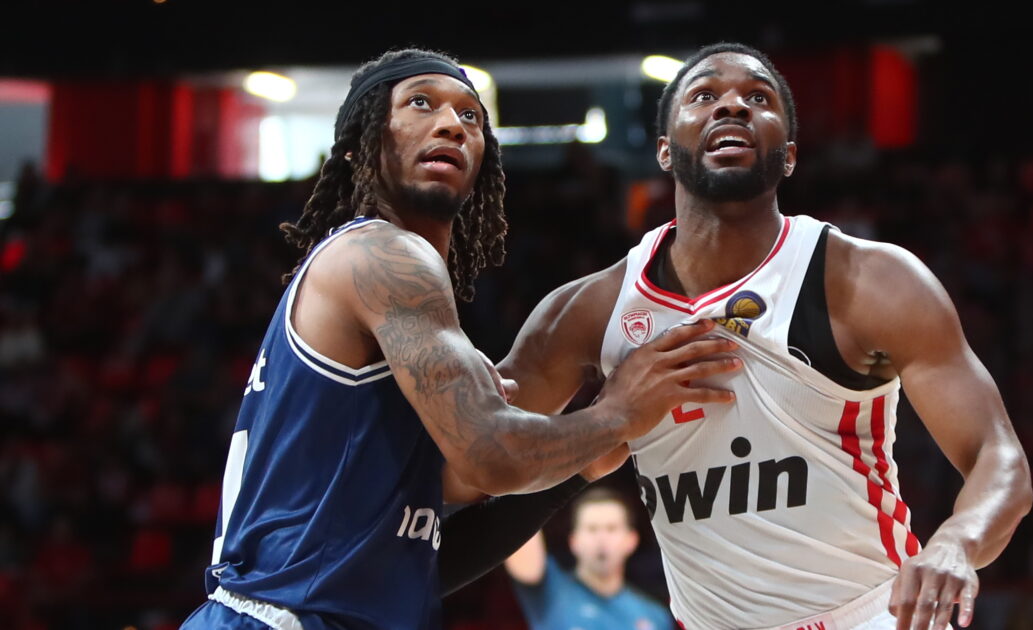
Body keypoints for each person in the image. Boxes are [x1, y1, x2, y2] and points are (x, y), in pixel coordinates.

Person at [180, 48, 741, 630]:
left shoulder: (403, 320)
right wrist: (618, 413)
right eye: (420, 104)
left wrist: (579, 469)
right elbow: (493, 456)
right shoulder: (379, 253)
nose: (451, 123)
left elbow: (417, 566)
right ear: (358, 145)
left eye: (470, 115)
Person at [497, 42, 1033, 630]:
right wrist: (604, 421)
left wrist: (956, 541)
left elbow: (998, 456)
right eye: (704, 95)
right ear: (664, 151)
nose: (732, 106)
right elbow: (485, 459)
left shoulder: (869, 281)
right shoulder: (588, 312)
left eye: (758, 97)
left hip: (871, 616)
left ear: (790, 155)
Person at [504, 487, 675, 630]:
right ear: (574, 541)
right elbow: (516, 519)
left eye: (611, 528)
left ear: (631, 540)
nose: (601, 539)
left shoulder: (655, 616)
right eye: (592, 529)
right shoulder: (550, 589)